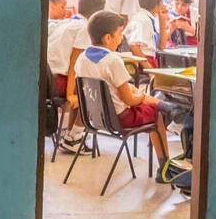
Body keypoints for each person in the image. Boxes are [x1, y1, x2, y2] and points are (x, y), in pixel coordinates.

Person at [73, 11, 174, 177]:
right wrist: (140, 96)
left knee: (136, 93)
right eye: (119, 34)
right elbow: (130, 101)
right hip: (120, 119)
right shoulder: (113, 60)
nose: (121, 39)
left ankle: (168, 107)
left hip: (94, 118)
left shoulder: (82, 58)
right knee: (156, 115)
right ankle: (165, 169)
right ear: (107, 38)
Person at [48, 0, 106, 154]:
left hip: (49, 77)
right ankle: (74, 137)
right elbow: (75, 63)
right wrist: (70, 95)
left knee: (82, 86)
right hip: (59, 80)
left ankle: (68, 134)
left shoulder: (64, 23)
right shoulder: (83, 28)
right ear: (98, 13)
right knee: (94, 91)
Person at [125, 0, 167, 68]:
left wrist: (162, 21)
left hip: (149, 59)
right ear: (158, 3)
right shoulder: (143, 20)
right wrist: (149, 70)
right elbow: (134, 46)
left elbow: (161, 46)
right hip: (143, 63)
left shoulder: (147, 18)